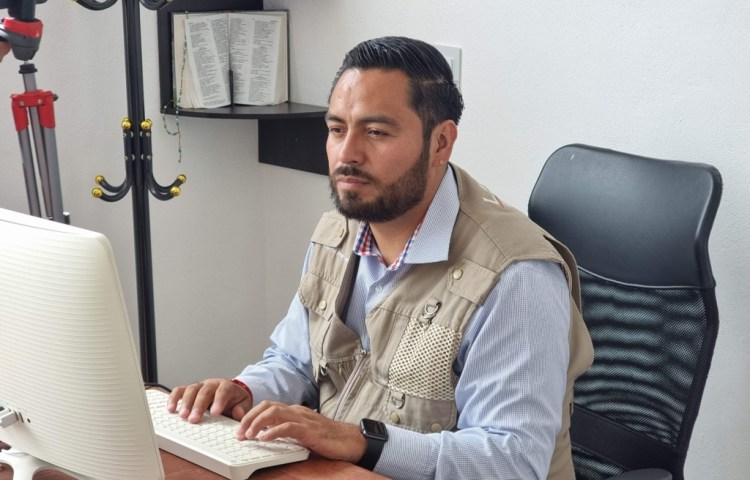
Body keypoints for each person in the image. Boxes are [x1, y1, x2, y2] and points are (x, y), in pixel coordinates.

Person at [168, 36, 593, 480]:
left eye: (376, 132)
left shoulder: (515, 276)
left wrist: (359, 440)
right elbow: (295, 362)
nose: (346, 155)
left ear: (441, 143)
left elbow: (511, 461)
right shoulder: (341, 228)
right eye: (336, 130)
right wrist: (243, 392)